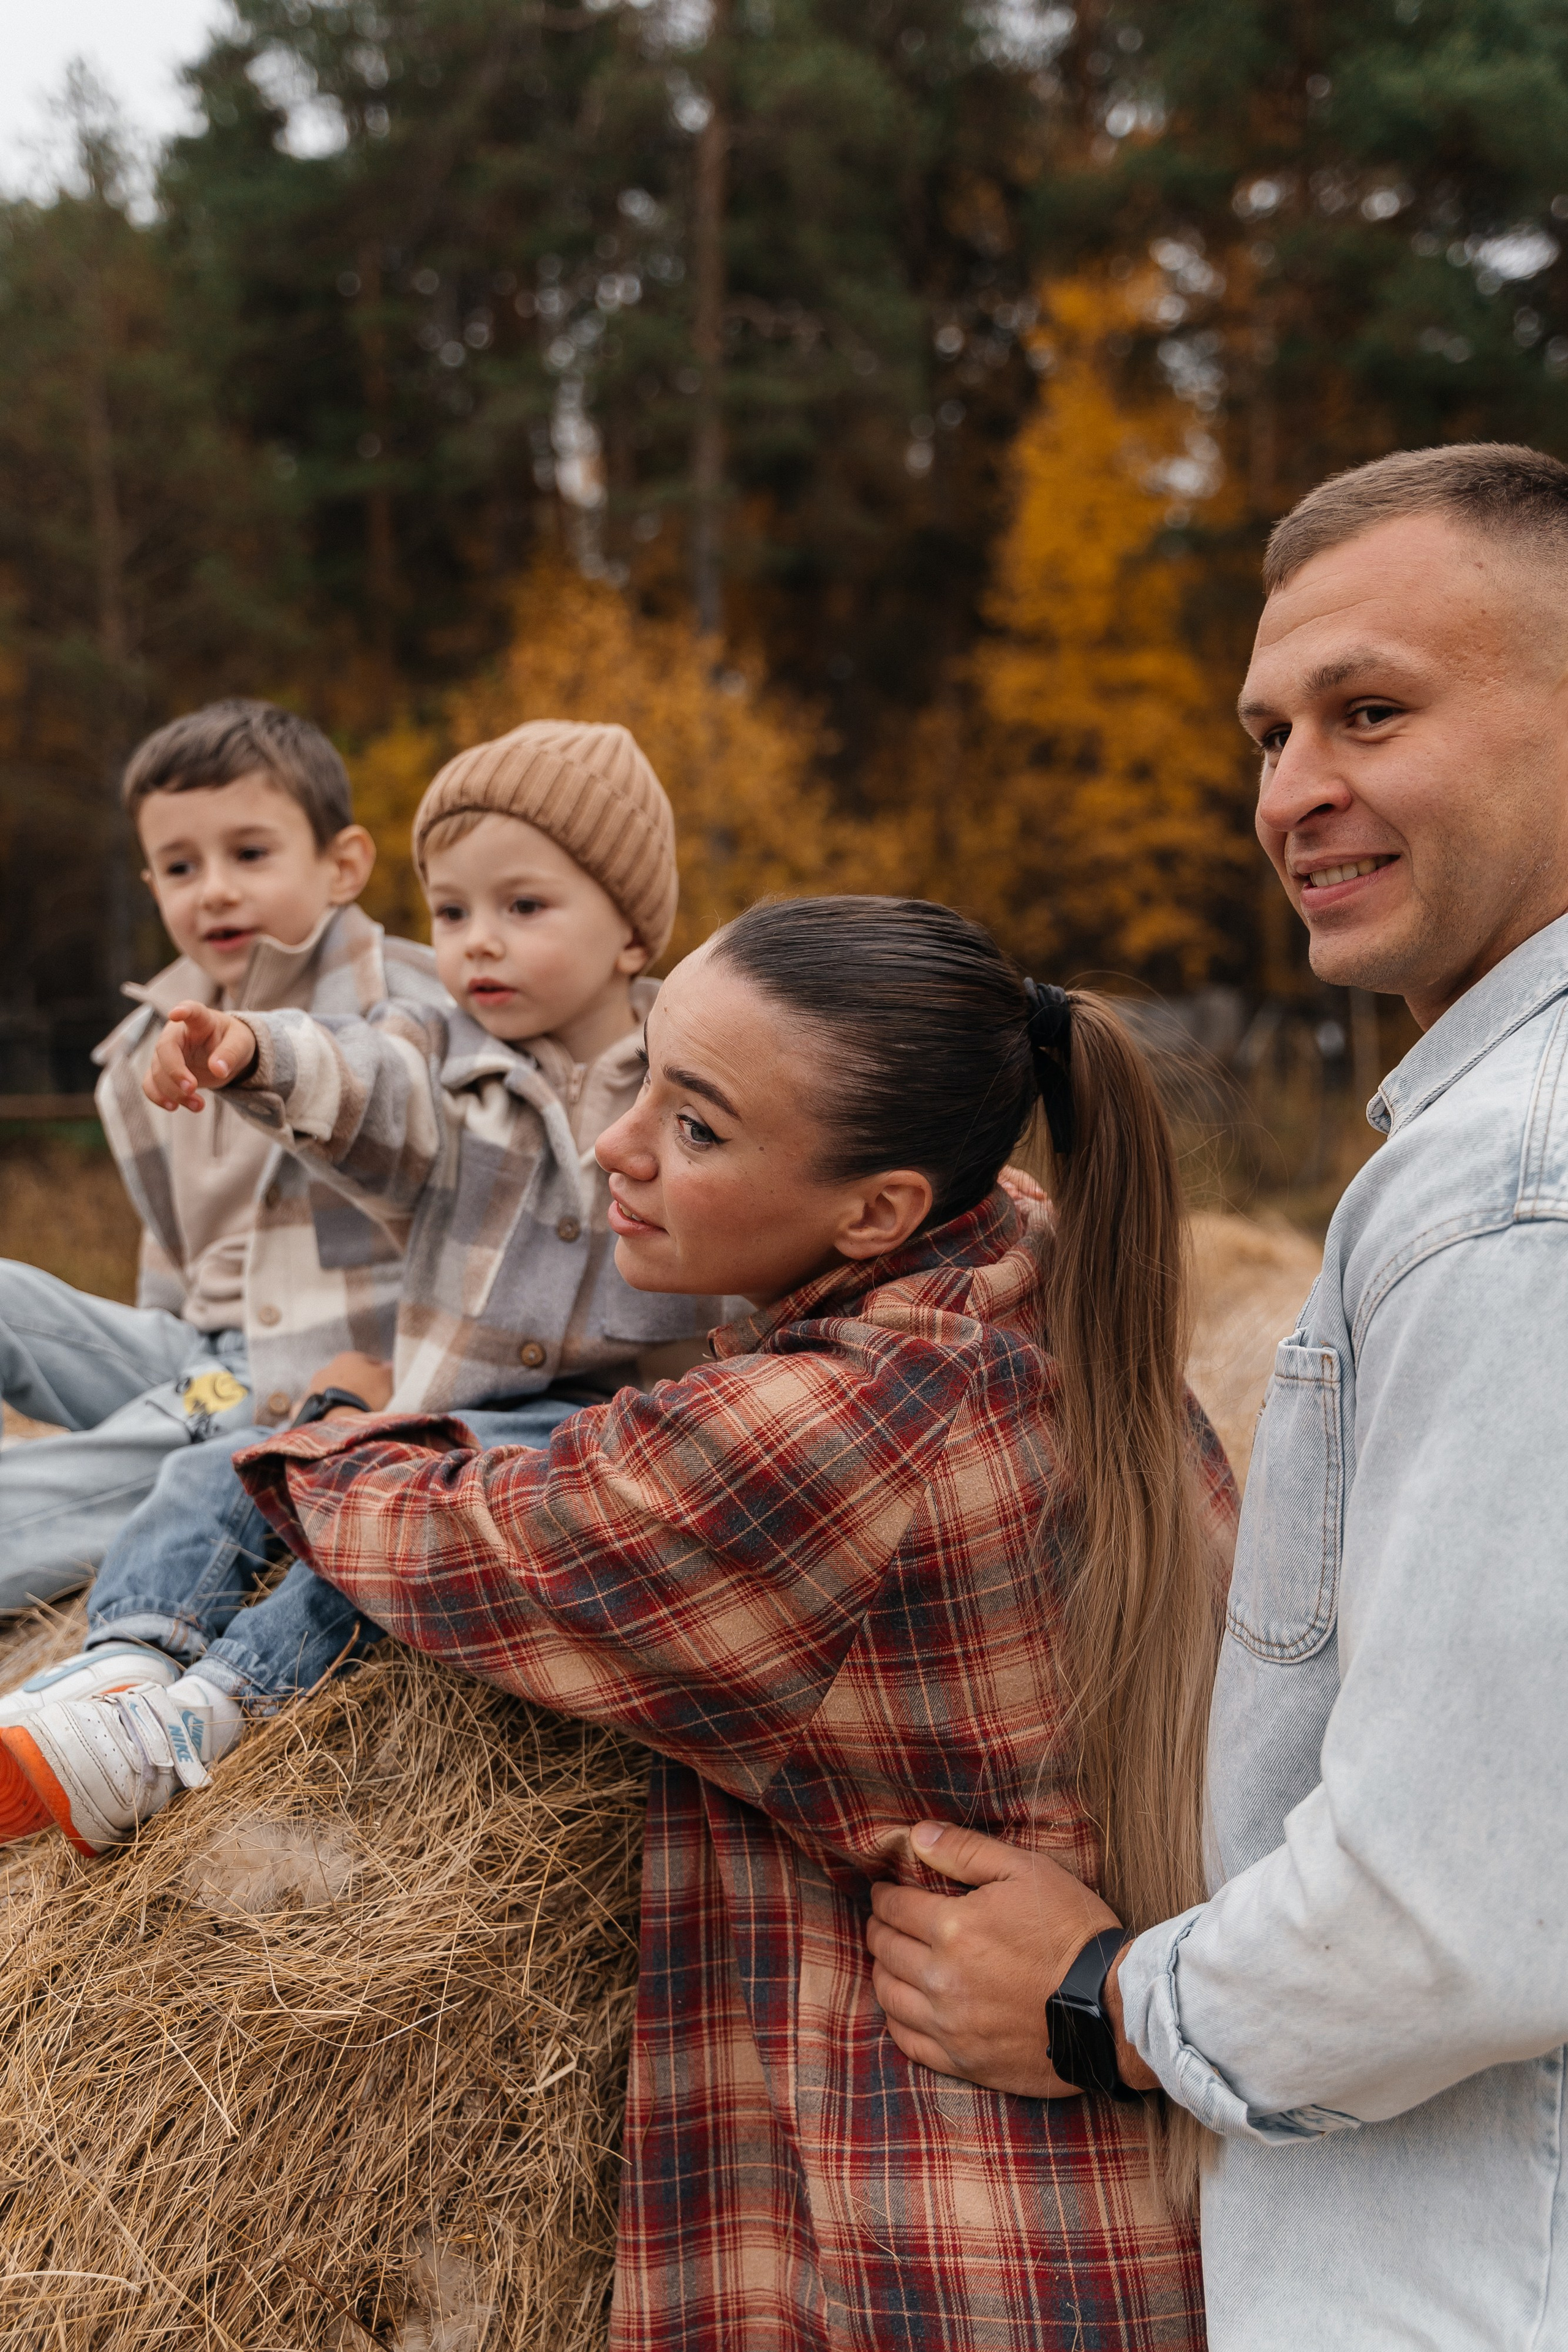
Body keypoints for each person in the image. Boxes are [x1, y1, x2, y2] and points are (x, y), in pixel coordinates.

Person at [214, 896, 1235, 2350]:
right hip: (1106, 2212)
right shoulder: (1022, 1261)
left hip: (943, 2253)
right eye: (640, 1074)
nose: (612, 1144)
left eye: (694, 1126)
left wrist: (326, 1420)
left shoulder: (834, 1429)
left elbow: (452, 1540)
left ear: (876, 1212)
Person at [864, 442, 1568, 2349]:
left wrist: (1101, 2000)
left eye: (1372, 713)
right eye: (1271, 734)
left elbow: (1453, 1909)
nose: (1292, 792)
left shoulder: (1516, 1197)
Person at [0, 720, 728, 1859]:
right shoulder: (442, 1054)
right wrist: (255, 1053)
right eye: (452, 913)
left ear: (633, 931)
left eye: (522, 908)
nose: (478, 942)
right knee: (212, 1470)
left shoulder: (689, 1077)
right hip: (416, 1401)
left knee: (383, 1538)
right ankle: (121, 1663)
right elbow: (364, 1083)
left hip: (588, 1436)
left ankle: (206, 1709)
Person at [0, 699, 445, 1621]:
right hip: (193, 1357)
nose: (213, 890)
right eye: (180, 866)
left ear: (342, 865)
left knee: (82, 1475)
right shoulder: (139, 1049)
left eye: (249, 854)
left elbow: (416, 1138)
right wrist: (150, 1399)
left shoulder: (409, 1005)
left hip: (312, 1368)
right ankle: (137, 1454)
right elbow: (174, 1255)